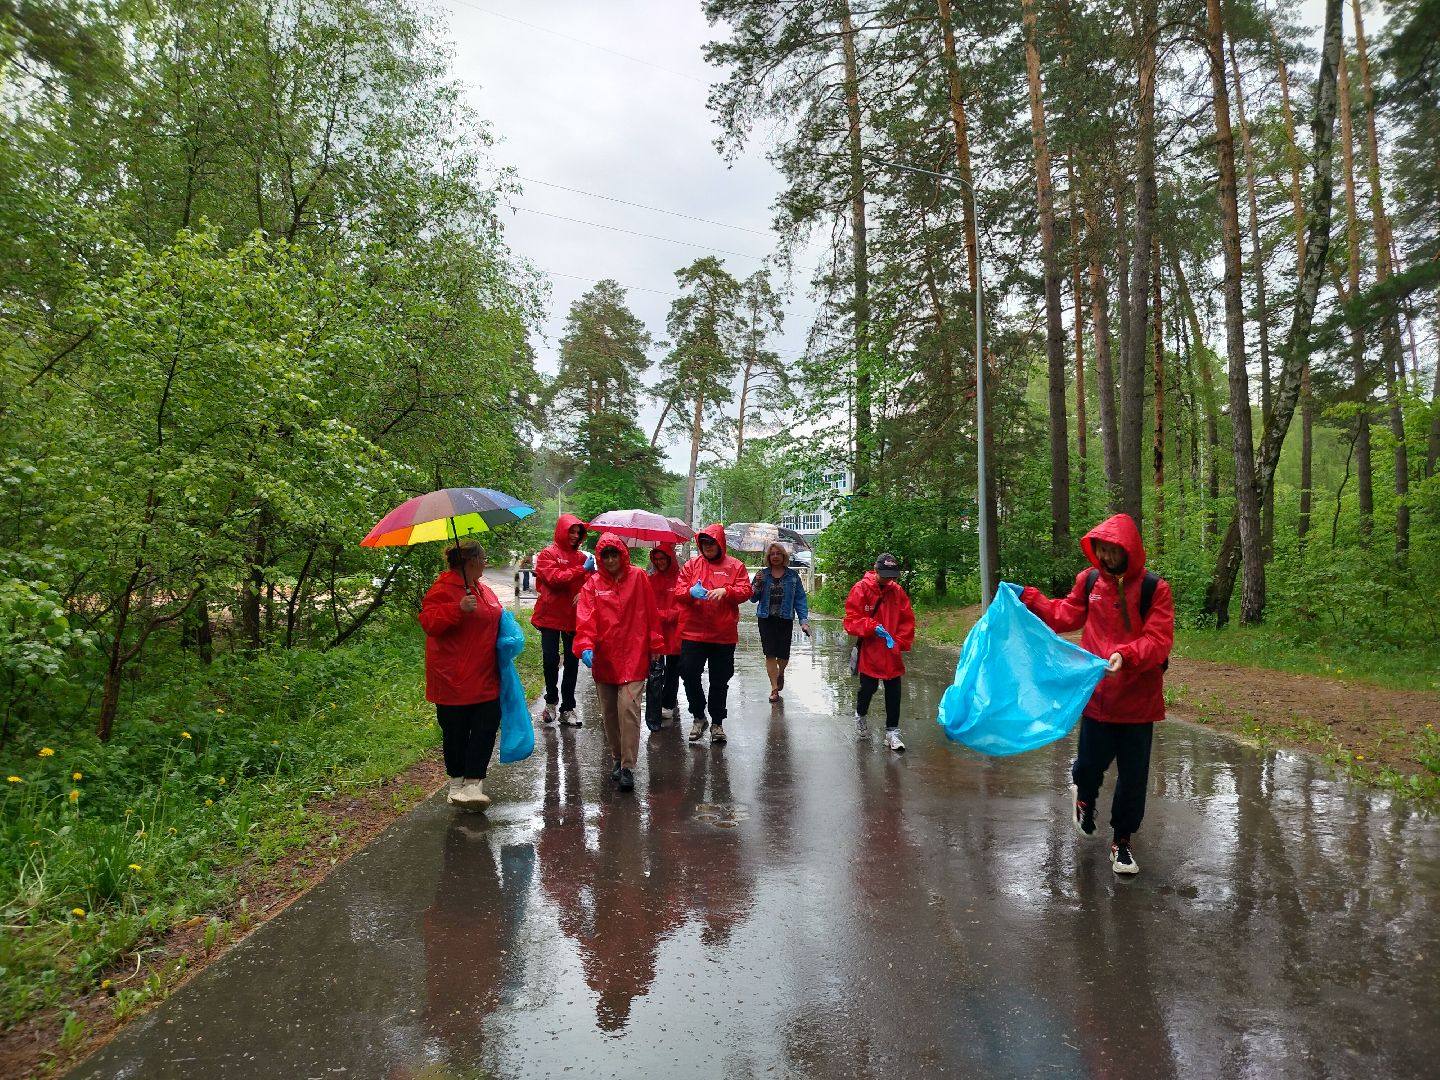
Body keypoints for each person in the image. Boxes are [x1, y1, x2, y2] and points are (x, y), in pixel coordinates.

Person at [1018, 513, 1174, 876]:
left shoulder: (1155, 589)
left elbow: (1158, 640)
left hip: (1138, 700)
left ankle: (1122, 842)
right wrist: (1029, 598)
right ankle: (1084, 799)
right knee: (1089, 767)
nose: (1105, 559)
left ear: (1128, 551)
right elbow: (1065, 614)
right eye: (1100, 551)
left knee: (1133, 779)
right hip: (1098, 696)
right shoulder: (1089, 581)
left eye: (1112, 552)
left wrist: (1127, 654)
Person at [418, 541, 507, 810]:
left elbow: (494, 614)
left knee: (486, 724)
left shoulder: (482, 589)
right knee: (456, 731)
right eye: (483, 557)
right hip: (453, 676)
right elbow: (429, 623)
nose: (485, 561)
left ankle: (473, 784)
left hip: (484, 672)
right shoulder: (443, 589)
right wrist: (457, 609)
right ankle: (457, 784)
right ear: (471, 561)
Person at [573, 534, 665, 792]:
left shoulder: (638, 578)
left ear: (622, 555)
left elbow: (650, 612)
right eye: (606, 555)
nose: (611, 560)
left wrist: (656, 644)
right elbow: (586, 619)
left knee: (628, 709)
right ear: (600, 558)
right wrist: (585, 646)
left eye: (615, 554)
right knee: (610, 713)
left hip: (634, 656)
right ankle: (616, 758)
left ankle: (627, 766)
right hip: (605, 658)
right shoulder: (592, 585)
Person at [674, 524, 753, 745]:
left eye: (712, 542)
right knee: (688, 673)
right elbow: (678, 593)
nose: (708, 546)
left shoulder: (735, 566)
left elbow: (746, 590)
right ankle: (699, 716)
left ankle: (717, 722)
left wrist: (726, 591)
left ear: (720, 543)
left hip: (723, 634)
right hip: (693, 631)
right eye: (704, 543)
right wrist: (690, 592)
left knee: (720, 679)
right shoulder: (690, 566)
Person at [842, 553, 916, 752]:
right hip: (870, 649)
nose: (888, 579)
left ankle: (892, 732)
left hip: (891, 651)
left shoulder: (897, 591)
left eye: (892, 576)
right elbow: (851, 620)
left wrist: (898, 641)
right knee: (868, 688)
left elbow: (907, 619)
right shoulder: (861, 589)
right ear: (875, 569)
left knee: (894, 691)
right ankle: (860, 714)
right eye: (884, 575)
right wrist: (871, 626)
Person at [532, 513, 592, 727]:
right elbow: (554, 579)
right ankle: (551, 700)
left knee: (572, 662)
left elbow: (591, 582)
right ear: (562, 531)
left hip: (573, 617)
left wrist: (584, 591)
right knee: (550, 659)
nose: (575, 536)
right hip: (549, 616)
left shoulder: (583, 559)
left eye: (578, 532)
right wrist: (580, 571)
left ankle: (568, 707)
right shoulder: (547, 554)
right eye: (572, 531)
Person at [749, 542, 810, 703]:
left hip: (785, 619)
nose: (775, 556)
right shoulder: (762, 575)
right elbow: (752, 598)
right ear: (768, 557)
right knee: (770, 653)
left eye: (778, 553)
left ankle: (780, 672)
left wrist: (804, 621)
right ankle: (774, 688)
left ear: (783, 556)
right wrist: (757, 584)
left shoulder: (792, 576)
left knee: (783, 655)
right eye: (772, 554)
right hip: (765, 619)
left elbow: (800, 599)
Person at [645, 543, 683, 730]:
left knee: (673, 670)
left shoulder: (680, 579)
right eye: (656, 559)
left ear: (670, 559)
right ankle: (660, 701)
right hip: (657, 632)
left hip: (675, 632)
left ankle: (668, 703)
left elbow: (683, 609)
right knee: (656, 669)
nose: (659, 563)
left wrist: (662, 614)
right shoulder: (650, 580)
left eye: (663, 559)